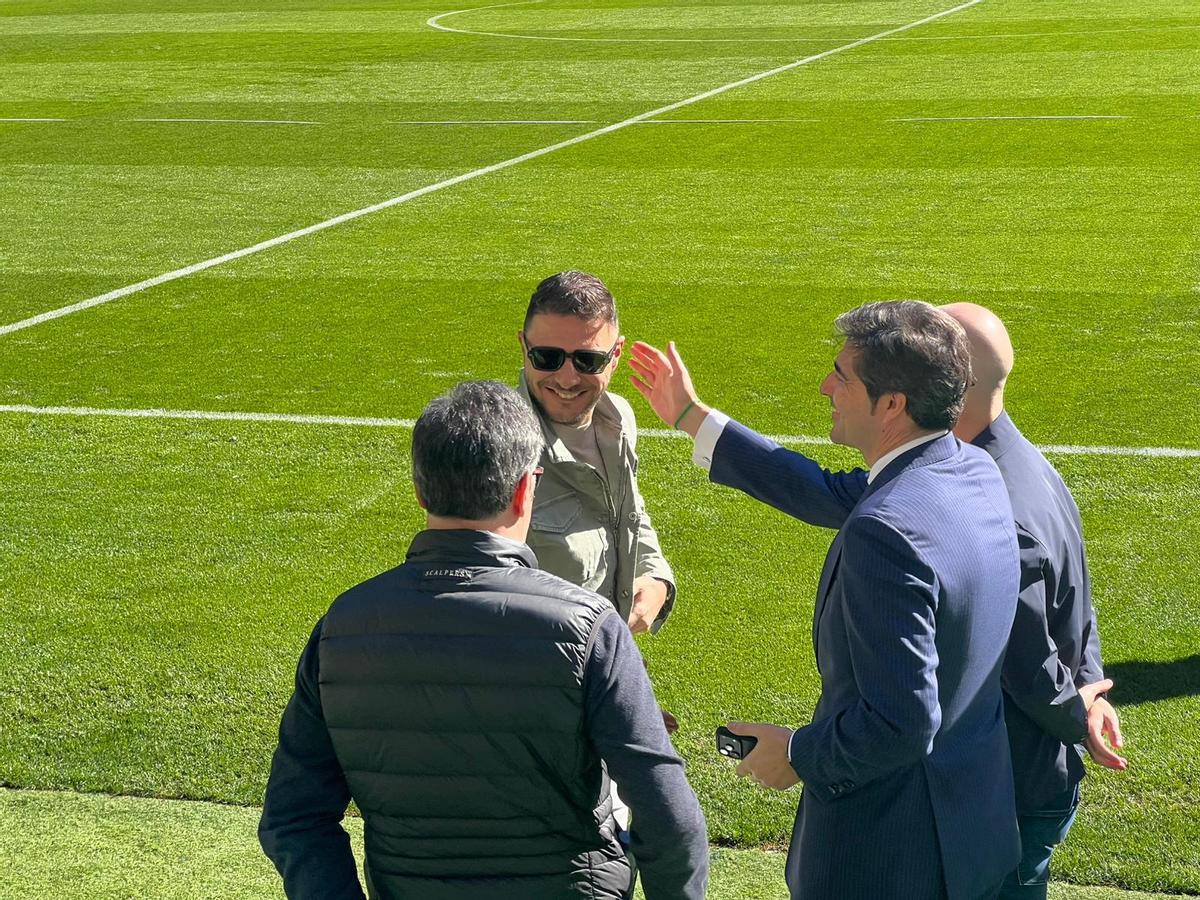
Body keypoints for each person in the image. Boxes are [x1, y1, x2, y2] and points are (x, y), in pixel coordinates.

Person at [629, 301, 1022, 900]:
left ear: (891, 404)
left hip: (887, 856)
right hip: (972, 830)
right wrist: (690, 415)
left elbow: (901, 725)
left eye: (842, 376)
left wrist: (797, 754)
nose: (825, 387)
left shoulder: (885, 532)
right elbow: (825, 491)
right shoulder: (970, 468)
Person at [258, 381, 708, 900]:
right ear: (526, 490)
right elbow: (668, 815)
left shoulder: (344, 624)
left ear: (421, 490)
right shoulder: (589, 625)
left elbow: (294, 817)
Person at [941, 302, 1126, 899]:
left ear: (953, 383)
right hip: (1037, 778)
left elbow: (1027, 662)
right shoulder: (1029, 464)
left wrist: (1079, 714)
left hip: (1014, 784)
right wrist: (1092, 692)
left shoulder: (997, 497)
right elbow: (1077, 602)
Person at [517, 271, 676, 636]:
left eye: (587, 360)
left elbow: (630, 512)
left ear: (616, 354)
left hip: (605, 665)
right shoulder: (498, 448)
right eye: (547, 357)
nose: (568, 379)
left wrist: (656, 580)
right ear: (523, 347)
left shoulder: (618, 419)